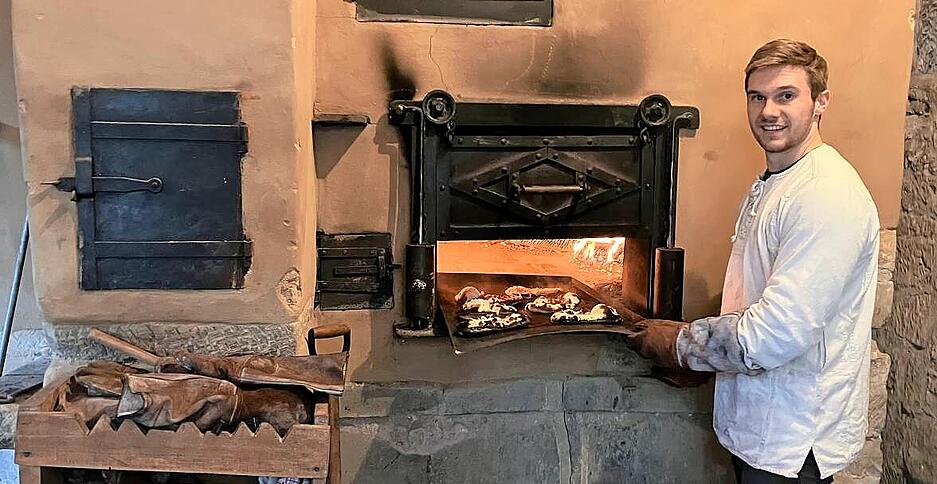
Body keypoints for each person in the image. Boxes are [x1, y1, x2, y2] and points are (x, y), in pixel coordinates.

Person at [625, 39, 880, 483]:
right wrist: (708, 361)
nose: (768, 111)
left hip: (790, 438)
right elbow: (756, 297)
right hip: (761, 423)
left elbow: (776, 332)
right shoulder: (778, 180)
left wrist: (683, 345)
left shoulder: (825, 194)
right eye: (757, 97)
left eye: (786, 95)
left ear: (821, 102)